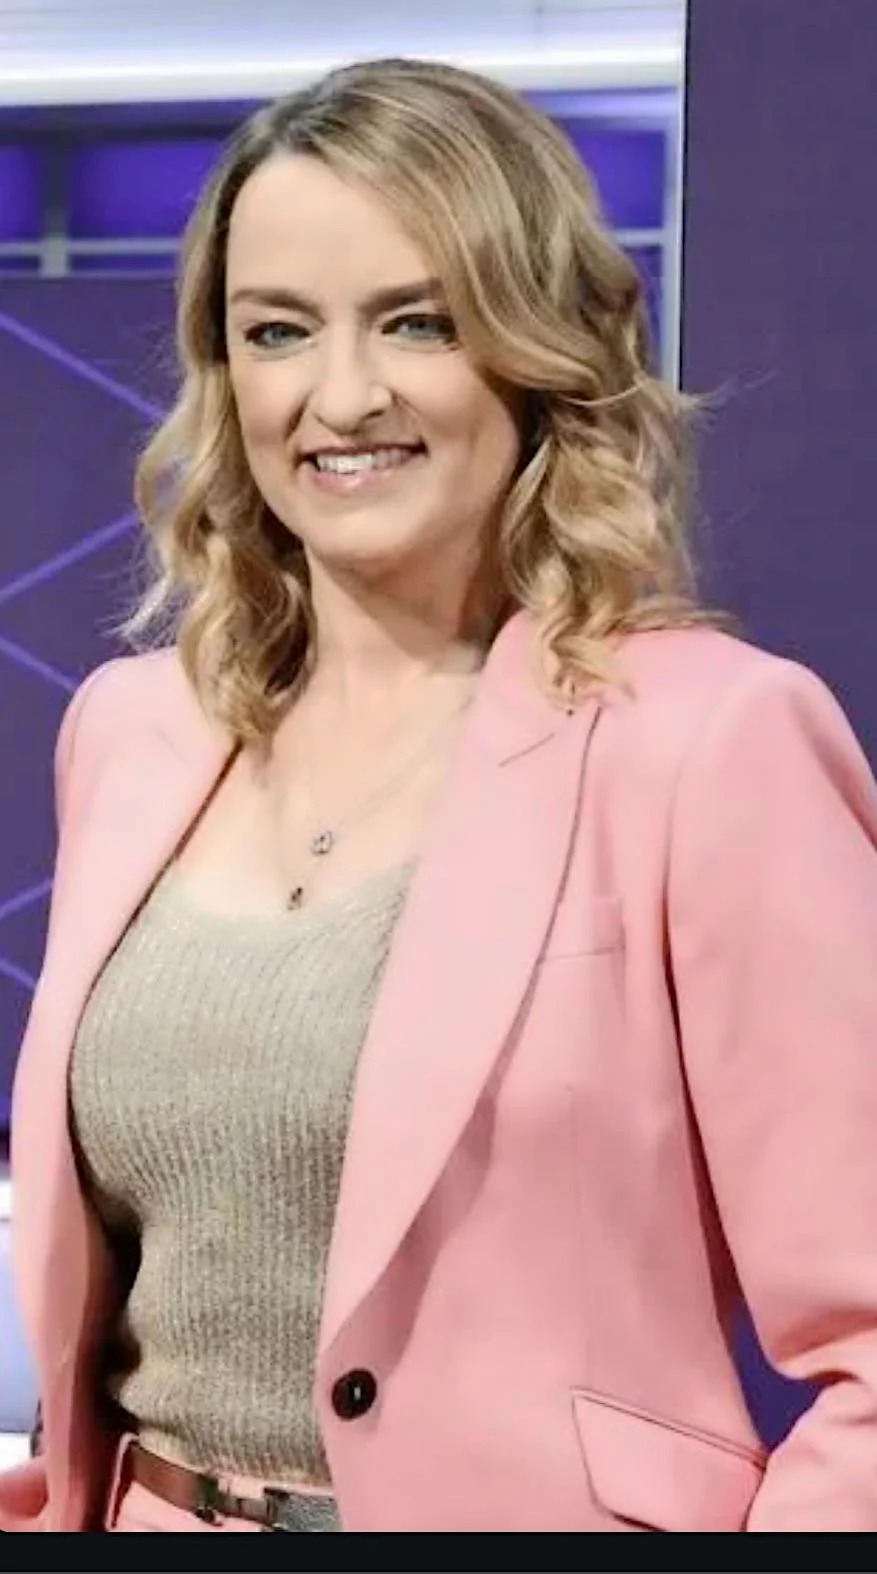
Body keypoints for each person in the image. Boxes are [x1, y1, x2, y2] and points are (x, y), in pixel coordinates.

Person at [2, 54, 877, 1536]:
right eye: (278, 330)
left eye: (418, 321)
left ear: (535, 350)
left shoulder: (708, 742)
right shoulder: (131, 733)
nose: (342, 395)